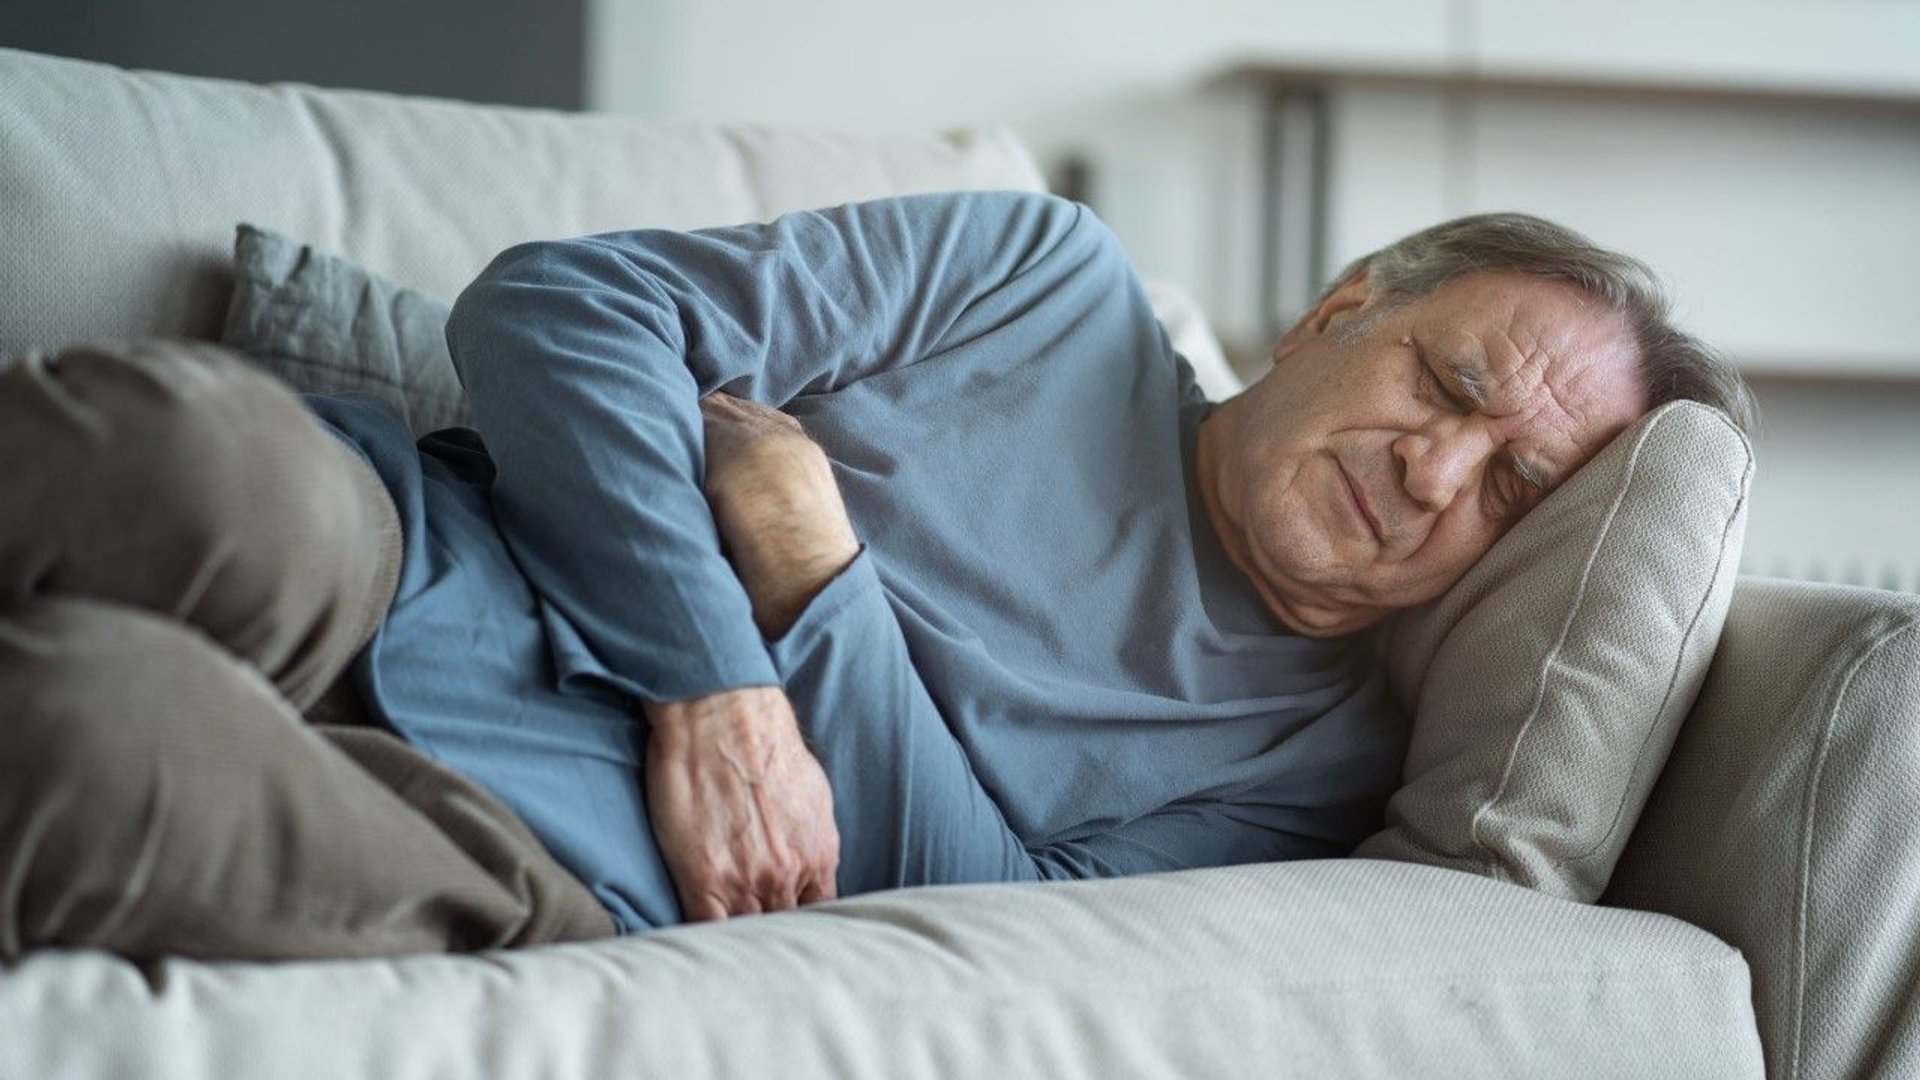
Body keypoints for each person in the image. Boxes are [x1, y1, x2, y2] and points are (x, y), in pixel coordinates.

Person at [0, 192, 1751, 960]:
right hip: (425, 548)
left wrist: (803, 565)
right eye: (1446, 388)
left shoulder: (1313, 766)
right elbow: (566, 311)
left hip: (529, 846)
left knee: (94, 731)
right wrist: (722, 679)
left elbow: (983, 909)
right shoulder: (1037, 279)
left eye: (1513, 487)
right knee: (186, 458)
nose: (1435, 474)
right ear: (1339, 312)